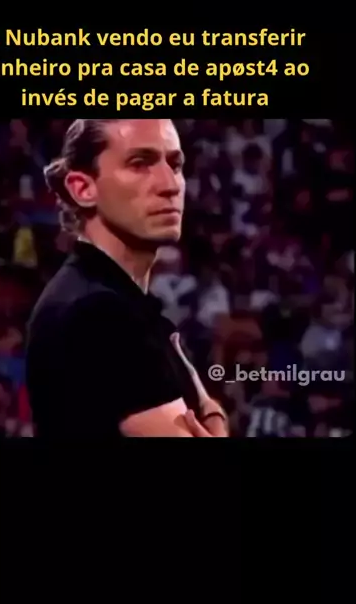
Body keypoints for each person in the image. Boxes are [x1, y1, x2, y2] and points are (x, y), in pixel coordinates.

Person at [25, 119, 229, 438]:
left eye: (175, 165)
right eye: (139, 163)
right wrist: (213, 413)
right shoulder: (97, 312)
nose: (170, 185)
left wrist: (212, 413)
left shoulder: (124, 304)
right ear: (83, 189)